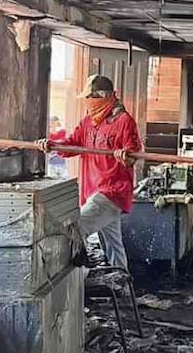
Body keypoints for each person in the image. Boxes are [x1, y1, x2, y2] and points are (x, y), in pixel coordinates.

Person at [37, 75, 141, 269]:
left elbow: (133, 153)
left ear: (107, 96)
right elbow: (71, 146)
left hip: (111, 192)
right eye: (87, 98)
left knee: (74, 230)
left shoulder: (124, 122)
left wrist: (125, 155)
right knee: (114, 247)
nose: (89, 103)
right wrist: (52, 145)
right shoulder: (88, 122)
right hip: (93, 191)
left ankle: (76, 276)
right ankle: (122, 285)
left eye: (93, 98)